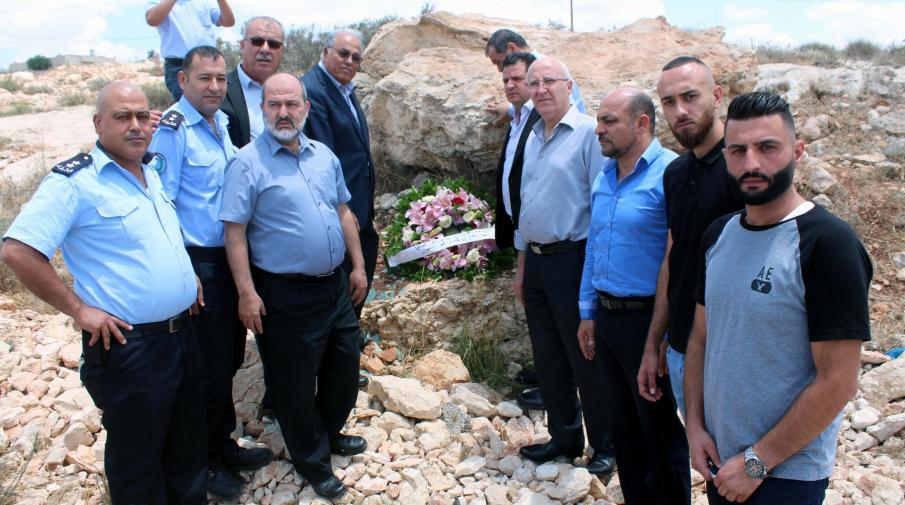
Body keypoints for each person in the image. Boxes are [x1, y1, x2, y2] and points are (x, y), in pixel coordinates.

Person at [0, 81, 207, 504]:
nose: (136, 125)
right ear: (98, 122)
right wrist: (79, 310)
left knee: (186, 450)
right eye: (122, 116)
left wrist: (186, 276)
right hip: (132, 346)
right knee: (139, 462)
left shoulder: (150, 171)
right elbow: (18, 250)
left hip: (183, 335)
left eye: (142, 115)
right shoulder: (75, 181)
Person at [685, 91, 872, 505]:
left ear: (797, 151)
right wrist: (695, 428)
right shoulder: (718, 234)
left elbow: (838, 381)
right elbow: (700, 338)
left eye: (767, 147)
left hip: (784, 475)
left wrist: (757, 462)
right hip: (721, 461)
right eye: (737, 150)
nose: (751, 163)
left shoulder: (827, 244)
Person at [220, 73, 368, 500]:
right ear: (262, 109)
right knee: (294, 385)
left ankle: (329, 432)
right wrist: (247, 293)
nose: (283, 113)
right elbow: (234, 232)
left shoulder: (323, 155)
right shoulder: (247, 163)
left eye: (291, 104)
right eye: (274, 105)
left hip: (334, 287)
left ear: (305, 107)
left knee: (344, 369)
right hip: (284, 293)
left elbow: (343, 211)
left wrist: (357, 267)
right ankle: (312, 461)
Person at [148, 45, 273, 499]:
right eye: (205, 78)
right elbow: (160, 205)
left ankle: (223, 445)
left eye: (221, 79)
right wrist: (186, 271)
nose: (216, 87)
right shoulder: (173, 132)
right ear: (182, 81)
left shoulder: (219, 125)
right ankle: (203, 462)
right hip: (198, 262)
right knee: (205, 369)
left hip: (227, 259)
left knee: (227, 362)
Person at [576, 88, 689, 504]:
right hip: (607, 318)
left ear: (642, 123)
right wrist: (587, 311)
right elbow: (594, 247)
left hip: (649, 321)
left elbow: (679, 261)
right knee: (623, 425)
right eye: (599, 121)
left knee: (659, 428)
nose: (598, 130)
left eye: (608, 121)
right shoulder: (604, 176)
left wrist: (661, 337)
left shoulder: (672, 174)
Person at [512, 56, 615, 476]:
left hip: (573, 260)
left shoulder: (589, 133)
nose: (540, 89)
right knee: (549, 357)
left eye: (549, 81)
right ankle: (564, 436)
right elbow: (528, 205)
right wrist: (521, 267)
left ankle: (607, 445)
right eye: (533, 82)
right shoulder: (533, 134)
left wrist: (594, 275)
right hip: (535, 262)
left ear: (569, 86)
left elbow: (604, 204)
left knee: (585, 357)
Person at [637, 56, 743, 416]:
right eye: (669, 102)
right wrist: (655, 342)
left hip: (733, 353)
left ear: (716, 95)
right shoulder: (675, 172)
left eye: (689, 97)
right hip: (683, 348)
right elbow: (674, 258)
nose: (680, 111)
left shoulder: (744, 168)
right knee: (707, 459)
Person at [302, 29, 378, 317]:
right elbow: (324, 158)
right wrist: (343, 208)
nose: (349, 61)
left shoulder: (343, 88)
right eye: (342, 53)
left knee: (361, 270)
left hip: (358, 202)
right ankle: (342, 341)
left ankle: (349, 333)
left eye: (355, 57)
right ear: (325, 52)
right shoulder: (315, 91)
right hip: (341, 207)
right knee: (347, 278)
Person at [491, 51, 546, 412]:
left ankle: (558, 384)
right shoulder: (518, 117)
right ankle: (546, 372)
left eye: (518, 79)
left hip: (547, 239)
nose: (511, 85)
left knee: (553, 318)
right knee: (538, 313)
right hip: (523, 235)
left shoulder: (542, 121)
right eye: (506, 79)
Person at [146, 0, 235, 102]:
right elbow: (152, 19)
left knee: (215, 107)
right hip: (180, 66)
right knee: (188, 110)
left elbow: (228, 22)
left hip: (210, 64)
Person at [221, 16, 285, 148]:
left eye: (273, 44)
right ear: (242, 46)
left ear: (282, 50)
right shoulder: (219, 90)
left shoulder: (293, 91)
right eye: (257, 41)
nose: (265, 49)